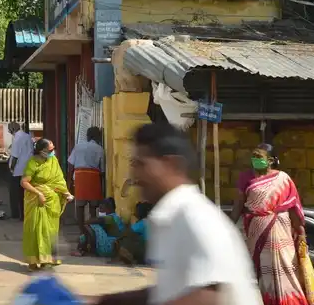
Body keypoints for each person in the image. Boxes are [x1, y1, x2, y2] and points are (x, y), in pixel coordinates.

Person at [95, 122, 263, 305]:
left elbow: (209, 298)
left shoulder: (195, 216)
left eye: (141, 164)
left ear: (171, 164)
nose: (135, 174)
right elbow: (166, 291)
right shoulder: (169, 217)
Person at [230, 143, 314, 305]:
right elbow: (238, 206)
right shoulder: (245, 177)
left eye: (259, 156)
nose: (254, 159)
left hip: (281, 231)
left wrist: (301, 233)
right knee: (264, 276)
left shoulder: (283, 178)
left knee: (287, 271)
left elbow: (293, 209)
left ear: (270, 160)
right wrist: (227, 227)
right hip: (256, 232)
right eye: (253, 156)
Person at [21, 137, 73, 270]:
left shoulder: (53, 160)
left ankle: (47, 260)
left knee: (50, 231)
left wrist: (66, 193)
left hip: (52, 203)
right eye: (50, 150)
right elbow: (24, 182)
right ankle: (33, 262)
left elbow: (59, 180)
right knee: (35, 230)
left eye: (53, 149)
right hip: (36, 202)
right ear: (41, 151)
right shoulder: (32, 162)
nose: (53, 152)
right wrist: (39, 193)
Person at [68, 126, 105, 236]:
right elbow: (102, 170)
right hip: (93, 177)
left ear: (88, 136)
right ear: (98, 137)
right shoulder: (100, 149)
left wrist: (70, 180)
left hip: (79, 176)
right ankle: (92, 231)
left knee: (80, 206)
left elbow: (71, 164)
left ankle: (82, 231)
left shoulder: (78, 146)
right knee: (93, 207)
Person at [8, 121, 34, 220]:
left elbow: (15, 156)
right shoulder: (27, 136)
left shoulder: (17, 138)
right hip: (28, 168)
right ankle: (26, 214)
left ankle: (18, 214)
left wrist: (12, 168)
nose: (9, 131)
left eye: (9, 129)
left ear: (12, 129)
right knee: (26, 193)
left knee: (16, 194)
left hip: (18, 170)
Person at [114, 201, 153, 266]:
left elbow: (128, 232)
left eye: (138, 210)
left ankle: (126, 257)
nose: (135, 212)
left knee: (127, 239)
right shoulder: (148, 221)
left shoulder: (143, 223)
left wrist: (117, 239)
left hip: (146, 250)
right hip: (151, 249)